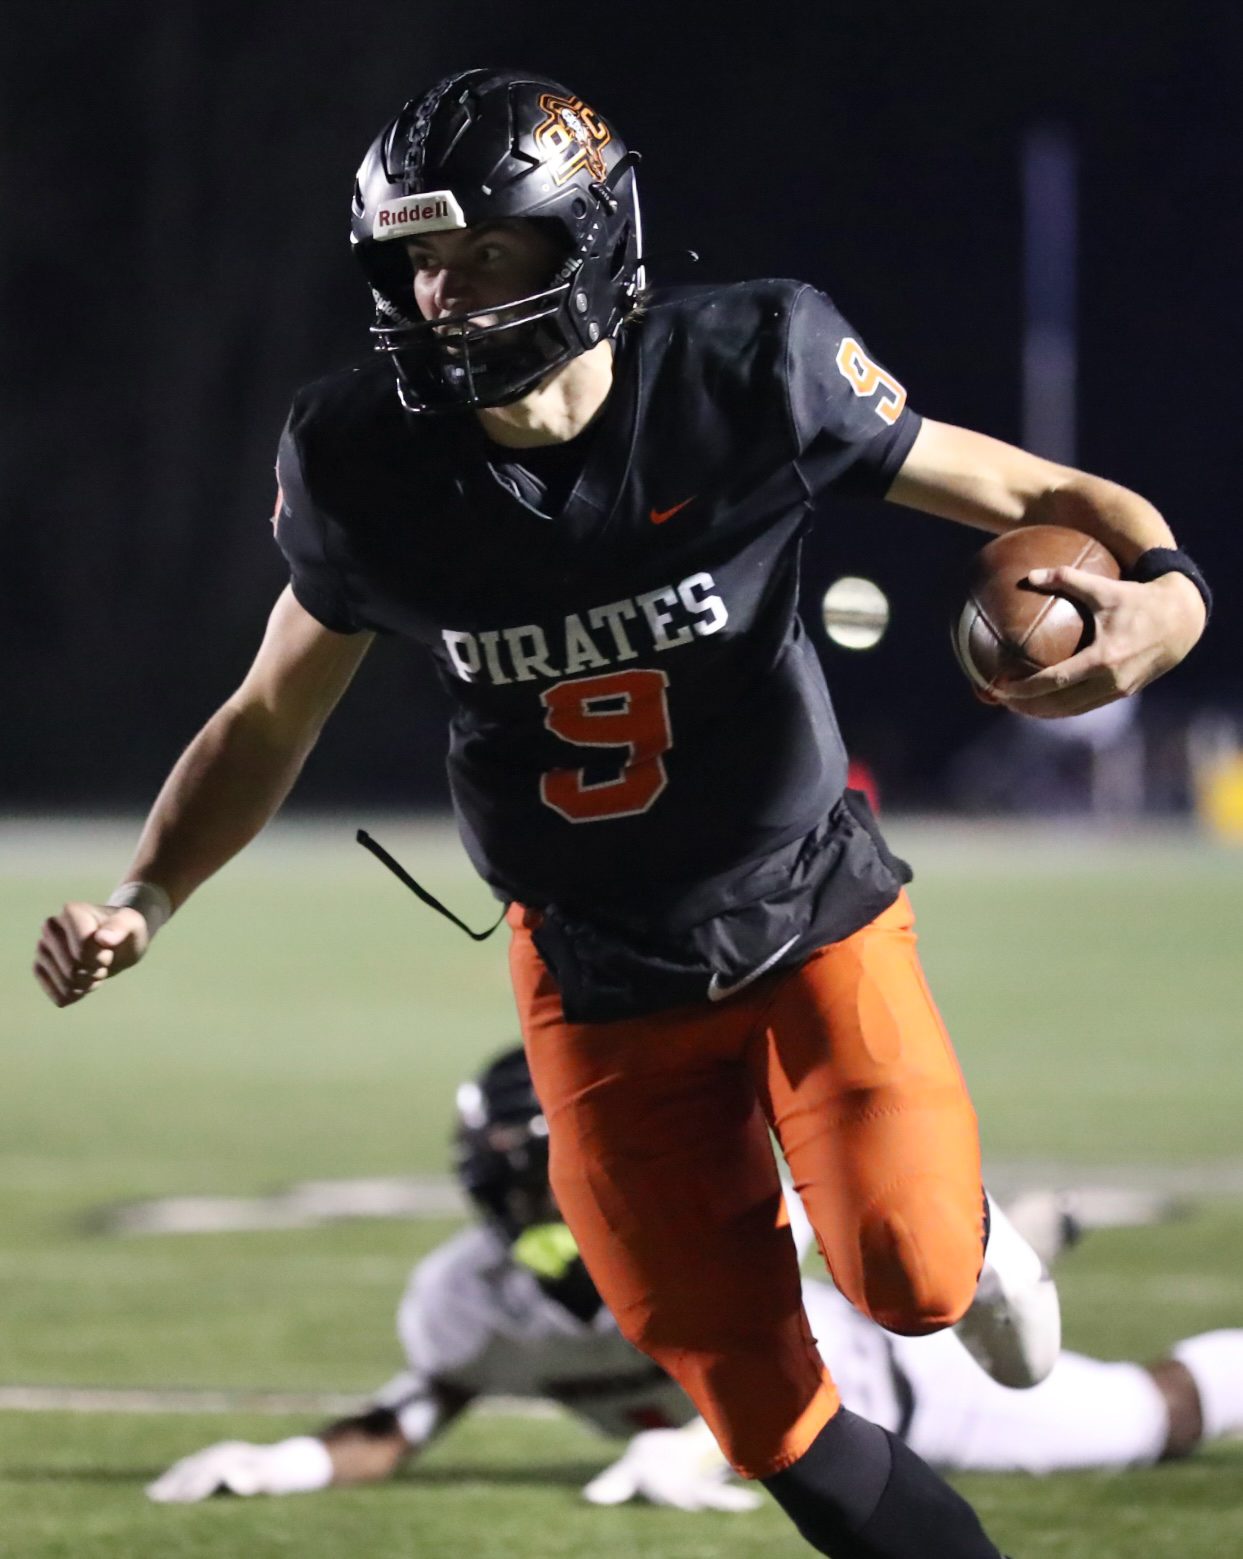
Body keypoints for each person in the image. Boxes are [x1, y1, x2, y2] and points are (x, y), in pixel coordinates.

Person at [35, 69, 1208, 1559]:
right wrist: (146, 896)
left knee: (909, 1275)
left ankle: (974, 1245)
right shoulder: (363, 461)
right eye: (418, 258)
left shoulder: (750, 365)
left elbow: (1035, 488)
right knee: (758, 1406)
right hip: (593, 971)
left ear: (586, 240)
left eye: (484, 252)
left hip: (802, 908)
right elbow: (269, 712)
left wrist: (1171, 593)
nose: (441, 292)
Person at [146, 1049, 1243, 1508]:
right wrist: (290, 1460)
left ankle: (997, 1255)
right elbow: (412, 1411)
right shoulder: (465, 1295)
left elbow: (768, 1367)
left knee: (1153, 1415)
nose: (523, 1210)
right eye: (507, 1187)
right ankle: (1012, 1244)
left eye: (532, 1183)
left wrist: (690, 1443)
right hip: (789, 1411)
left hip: (891, 1390)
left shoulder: (694, 1221)